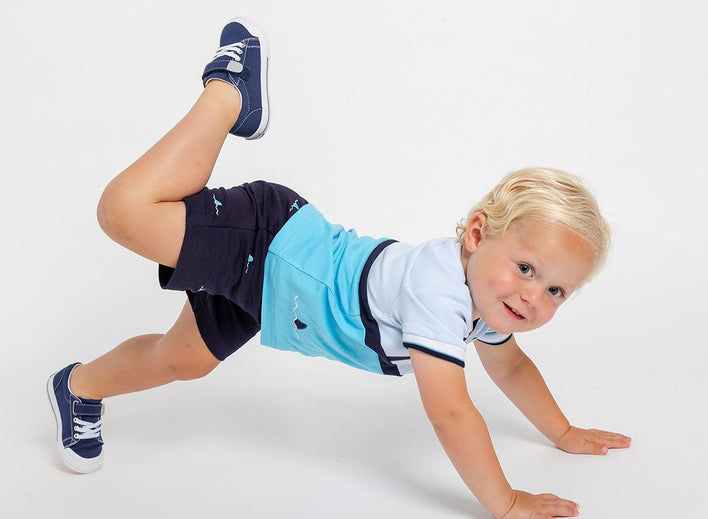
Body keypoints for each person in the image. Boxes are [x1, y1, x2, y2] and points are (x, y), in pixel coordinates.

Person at [44, 17, 629, 518]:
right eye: (526, 268)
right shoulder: (438, 292)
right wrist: (503, 503)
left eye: (556, 289)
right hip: (268, 243)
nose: (534, 297)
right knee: (123, 212)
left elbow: (513, 370)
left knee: (183, 361)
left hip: (269, 299)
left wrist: (562, 432)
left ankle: (76, 388)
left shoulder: (488, 301)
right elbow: (451, 409)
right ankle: (229, 90)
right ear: (476, 235)